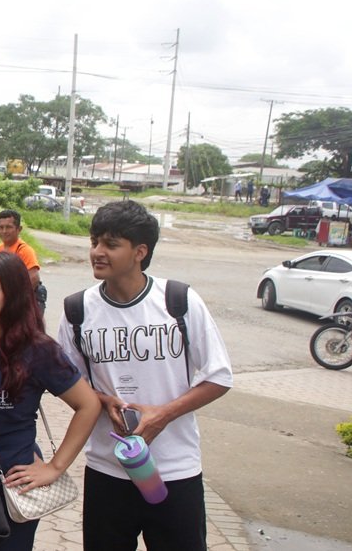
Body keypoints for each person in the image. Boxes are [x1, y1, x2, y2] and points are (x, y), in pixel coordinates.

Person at [55, 200, 232, 551]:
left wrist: (161, 416)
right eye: (94, 242)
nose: (97, 252)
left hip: (175, 470)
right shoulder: (77, 311)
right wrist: (103, 401)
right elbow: (69, 384)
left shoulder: (178, 301)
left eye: (110, 244)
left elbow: (219, 376)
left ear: (140, 251)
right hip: (107, 469)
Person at [0, 252, 101, 549]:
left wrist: (55, 467)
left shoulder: (38, 351)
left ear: (13, 295)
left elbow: (89, 405)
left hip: (10, 486)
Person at [0, 209, 46, 313]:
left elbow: (34, 278)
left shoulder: (25, 250)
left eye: (8, 227)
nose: (4, 231)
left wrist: (15, 301)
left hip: (24, 301)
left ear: (19, 229)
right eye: (1, 227)